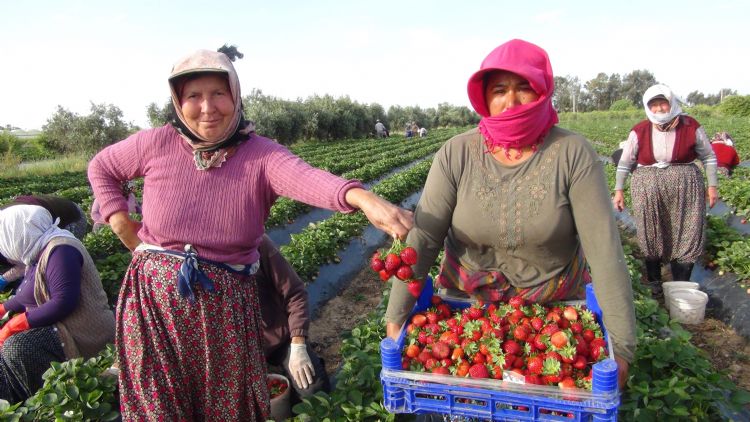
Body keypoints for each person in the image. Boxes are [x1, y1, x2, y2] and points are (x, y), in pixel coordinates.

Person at [87, 49, 412, 421]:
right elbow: (102, 166)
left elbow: (305, 177)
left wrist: (362, 198)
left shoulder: (260, 155)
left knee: (225, 409)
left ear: (236, 96)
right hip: (155, 309)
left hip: (223, 314)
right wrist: (120, 221)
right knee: (159, 408)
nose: (207, 107)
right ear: (178, 100)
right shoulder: (156, 143)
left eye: (218, 94)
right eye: (193, 95)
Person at [384, 39, 636, 389]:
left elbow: (604, 251)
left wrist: (621, 348)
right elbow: (424, 237)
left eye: (524, 89)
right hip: (463, 311)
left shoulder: (572, 153)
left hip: (552, 318)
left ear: (544, 92)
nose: (511, 101)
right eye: (499, 89)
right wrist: (396, 318)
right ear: (484, 97)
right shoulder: (457, 153)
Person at [0, 205, 115, 402]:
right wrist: (4, 308)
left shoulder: (62, 250)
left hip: (81, 332)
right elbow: (26, 295)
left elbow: (63, 302)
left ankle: (39, 402)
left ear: (18, 232)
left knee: (17, 347)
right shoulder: (36, 251)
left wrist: (14, 325)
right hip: (59, 326)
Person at [613, 84, 718, 287]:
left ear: (672, 103)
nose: (659, 108)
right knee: (651, 230)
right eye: (654, 104)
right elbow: (625, 163)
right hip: (648, 186)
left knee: (687, 230)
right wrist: (619, 190)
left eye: (663, 103)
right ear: (647, 107)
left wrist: (712, 185)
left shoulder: (690, 126)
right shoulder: (639, 130)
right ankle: (654, 282)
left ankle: (680, 285)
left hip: (686, 187)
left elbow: (709, 156)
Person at [256, 234, 329, 402]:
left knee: (313, 392)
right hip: (240, 356)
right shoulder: (191, 260)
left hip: (280, 339)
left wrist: (298, 345)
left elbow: (295, 293)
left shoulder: (257, 241)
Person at [0, 195, 89, 289]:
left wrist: (5, 278)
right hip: (39, 214)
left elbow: (30, 258)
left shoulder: (13, 234)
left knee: (57, 261)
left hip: (71, 216)